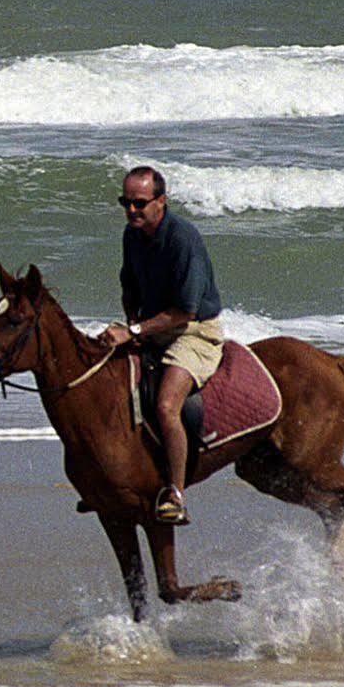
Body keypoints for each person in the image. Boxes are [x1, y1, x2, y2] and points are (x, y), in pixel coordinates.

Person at [97, 165, 224, 525]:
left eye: (139, 203)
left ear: (161, 201)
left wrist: (134, 331)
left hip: (193, 332)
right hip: (151, 327)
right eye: (126, 203)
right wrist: (128, 328)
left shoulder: (182, 238)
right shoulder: (131, 234)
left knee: (167, 404)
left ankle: (175, 494)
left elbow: (185, 312)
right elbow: (129, 289)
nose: (131, 210)